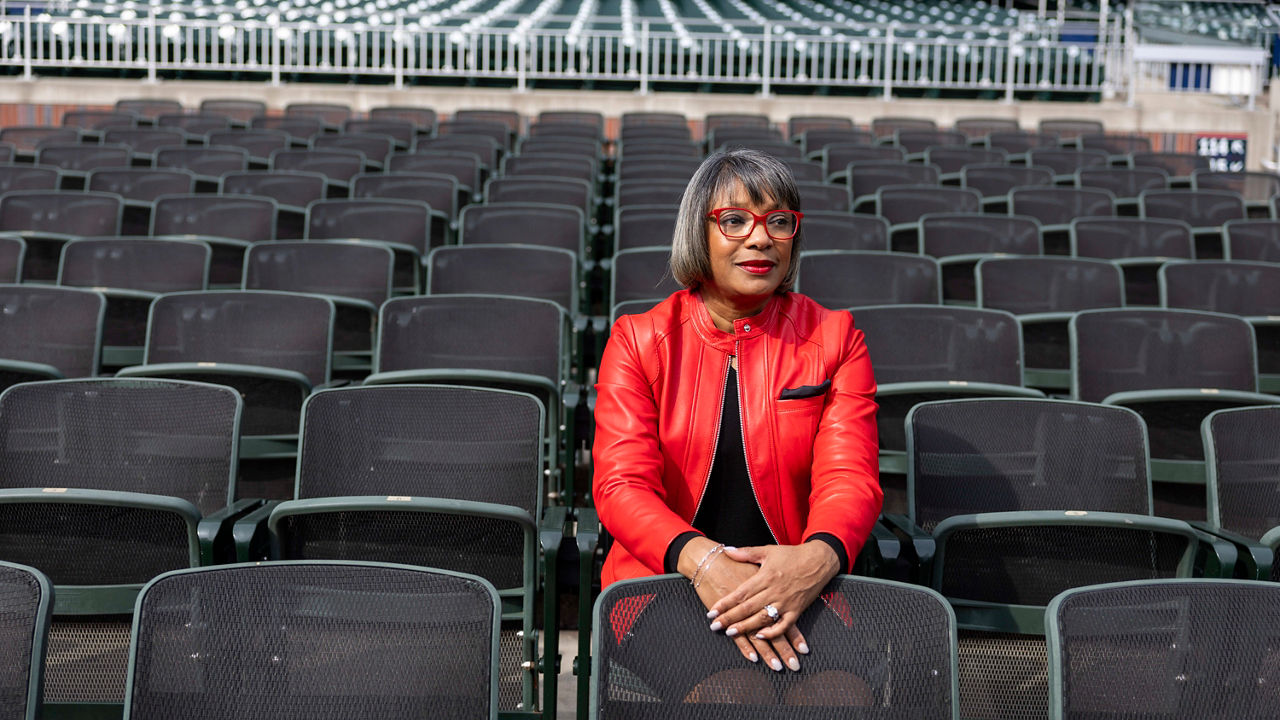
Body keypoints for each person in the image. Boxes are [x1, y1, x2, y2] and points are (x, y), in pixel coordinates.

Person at [592, 147, 882, 675]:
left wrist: (815, 561)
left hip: (798, 578)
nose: (760, 238)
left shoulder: (836, 338)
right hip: (667, 581)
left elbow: (850, 479)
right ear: (697, 234)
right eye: (733, 220)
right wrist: (705, 563)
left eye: (778, 221)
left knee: (840, 694)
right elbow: (621, 486)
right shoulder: (639, 340)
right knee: (728, 694)